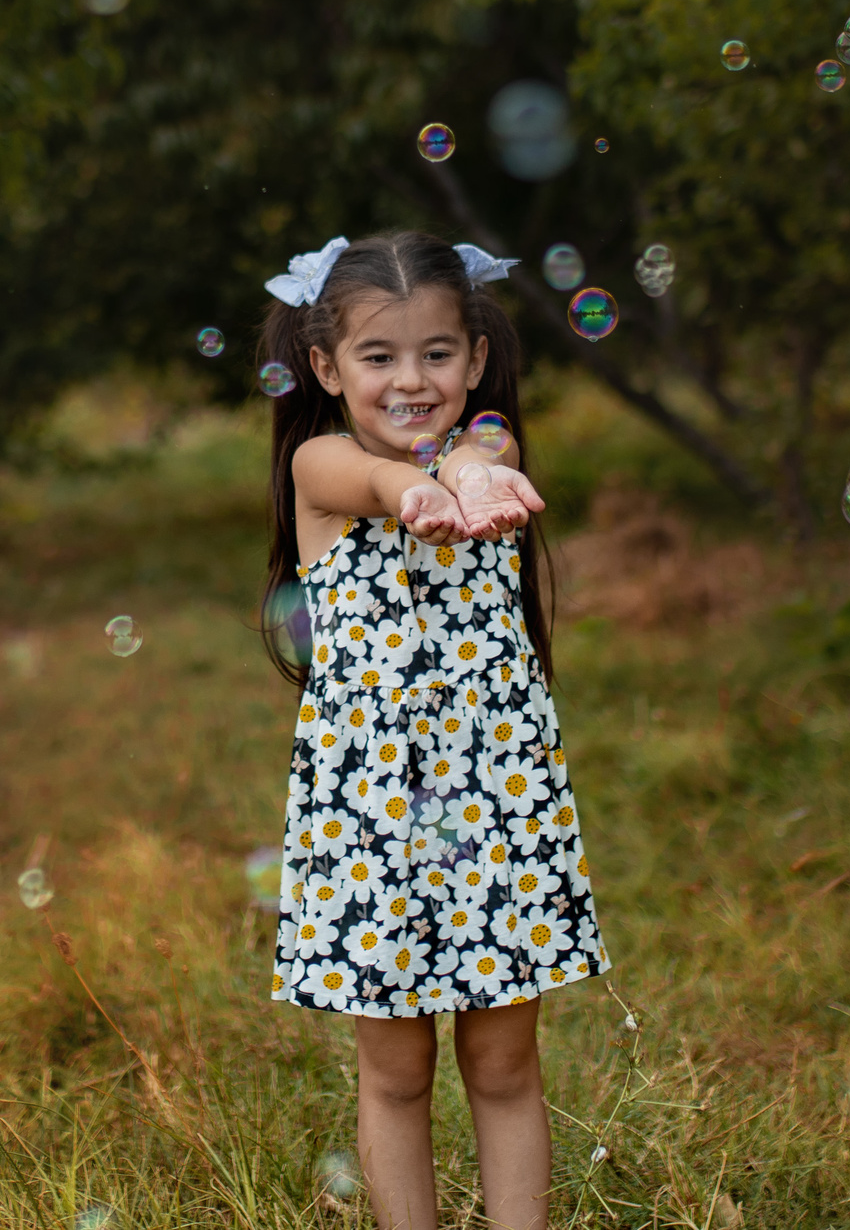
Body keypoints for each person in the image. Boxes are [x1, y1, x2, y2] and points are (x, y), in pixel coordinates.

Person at [257, 230, 609, 1230]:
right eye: (379, 356)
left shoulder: (488, 462)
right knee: (396, 1069)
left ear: (477, 357)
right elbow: (374, 481)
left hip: (497, 809)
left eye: (437, 353)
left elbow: (473, 454)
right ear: (327, 367)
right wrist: (415, 489)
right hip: (373, 824)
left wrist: (464, 476)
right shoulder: (322, 465)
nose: (411, 379)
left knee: (504, 1062)